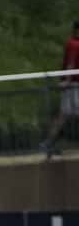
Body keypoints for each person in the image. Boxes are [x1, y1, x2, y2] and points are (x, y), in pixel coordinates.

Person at [42, 21, 79, 157]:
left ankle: (49, 142)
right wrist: (67, 81)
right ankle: (48, 142)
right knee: (64, 114)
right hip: (73, 86)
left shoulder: (73, 43)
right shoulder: (74, 44)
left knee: (65, 114)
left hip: (72, 85)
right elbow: (70, 64)